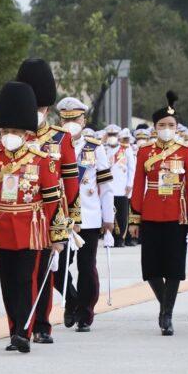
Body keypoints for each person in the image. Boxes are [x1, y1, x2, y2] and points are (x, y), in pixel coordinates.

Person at [0, 81, 67, 353]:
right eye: (6, 131)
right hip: (3, 229)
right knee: (8, 285)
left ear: (26, 133)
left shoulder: (41, 160)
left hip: (32, 229)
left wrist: (58, 235)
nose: (9, 135)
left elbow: (53, 200)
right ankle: (14, 328)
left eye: (15, 131)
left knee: (27, 281)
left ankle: (23, 332)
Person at [16, 58, 79, 344]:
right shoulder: (14, 137)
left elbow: (70, 180)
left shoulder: (60, 137)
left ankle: (41, 324)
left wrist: (73, 218)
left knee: (45, 272)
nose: (38, 113)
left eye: (42, 108)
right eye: (35, 108)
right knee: (21, 275)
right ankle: (22, 323)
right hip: (20, 214)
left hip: (51, 214)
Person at [128, 91, 188, 336]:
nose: (166, 128)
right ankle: (164, 306)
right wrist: (134, 218)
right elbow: (138, 186)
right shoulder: (144, 152)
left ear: (177, 127)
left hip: (176, 215)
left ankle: (166, 314)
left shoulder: (185, 151)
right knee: (150, 268)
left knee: (173, 267)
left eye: (170, 125)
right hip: (150, 214)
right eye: (162, 125)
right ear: (154, 127)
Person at [57, 98, 115, 331]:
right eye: (66, 119)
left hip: (89, 216)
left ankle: (85, 313)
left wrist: (108, 217)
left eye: (75, 119)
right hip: (60, 218)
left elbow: (106, 185)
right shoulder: (51, 144)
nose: (71, 123)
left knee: (87, 267)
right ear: (60, 120)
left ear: (84, 120)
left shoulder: (95, 147)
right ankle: (71, 300)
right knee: (57, 267)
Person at [103, 124, 136, 247]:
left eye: (114, 135)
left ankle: (120, 239)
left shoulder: (126, 149)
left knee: (122, 216)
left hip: (122, 188)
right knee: (108, 215)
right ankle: (108, 238)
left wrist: (130, 184)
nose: (112, 137)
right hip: (107, 188)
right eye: (110, 135)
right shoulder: (103, 149)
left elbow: (132, 169)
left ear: (118, 136)